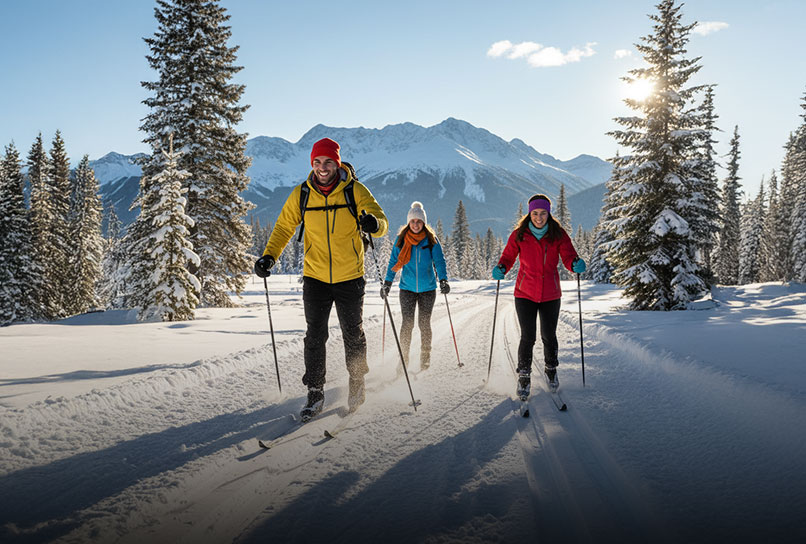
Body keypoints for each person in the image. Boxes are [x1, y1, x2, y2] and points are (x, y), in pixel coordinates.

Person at [254, 137, 388, 421]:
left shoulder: (354, 190)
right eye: (317, 162)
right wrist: (269, 256)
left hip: (350, 276)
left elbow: (381, 221)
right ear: (312, 164)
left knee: (353, 334)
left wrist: (373, 224)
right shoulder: (302, 194)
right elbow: (283, 227)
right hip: (315, 277)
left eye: (328, 162)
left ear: (336, 163)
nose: (322, 167)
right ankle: (315, 393)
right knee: (315, 336)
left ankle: (356, 384)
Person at [492, 194, 585, 398]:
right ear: (529, 213)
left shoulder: (558, 234)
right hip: (525, 293)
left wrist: (574, 265)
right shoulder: (520, 234)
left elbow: (569, 256)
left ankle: (551, 371)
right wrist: (501, 268)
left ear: (548, 213)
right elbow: (508, 257)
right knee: (528, 336)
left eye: (543, 213)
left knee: (549, 335)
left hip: (551, 293)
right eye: (535, 213)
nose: (539, 217)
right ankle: (524, 377)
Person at [381, 202, 449, 371]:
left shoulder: (431, 240)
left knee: (424, 324)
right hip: (407, 289)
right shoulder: (401, 240)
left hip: (427, 289)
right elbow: (393, 262)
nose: (416, 224)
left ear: (424, 222)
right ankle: (403, 359)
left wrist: (443, 280)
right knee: (407, 324)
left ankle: (425, 356)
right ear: (408, 223)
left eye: (419, 221)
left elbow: (439, 262)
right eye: (413, 221)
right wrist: (388, 283)